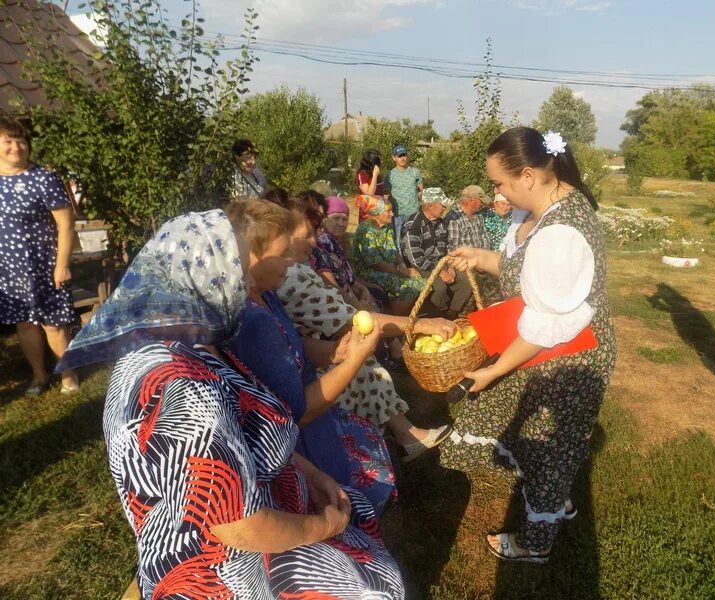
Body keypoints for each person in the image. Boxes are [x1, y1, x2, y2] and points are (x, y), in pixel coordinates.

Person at [58, 204, 404, 599]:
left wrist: (309, 472)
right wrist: (323, 528)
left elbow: (240, 436)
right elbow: (241, 526)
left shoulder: (192, 343)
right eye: (236, 268)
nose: (245, 284)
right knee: (376, 587)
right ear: (205, 275)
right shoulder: (180, 384)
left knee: (355, 509)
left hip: (256, 520)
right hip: (226, 571)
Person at [438, 127, 616, 563]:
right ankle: (558, 503)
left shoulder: (561, 233)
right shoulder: (553, 211)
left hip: (568, 356)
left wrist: (495, 371)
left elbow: (542, 326)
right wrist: (482, 258)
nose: (498, 192)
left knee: (546, 445)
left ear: (530, 176)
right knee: (551, 444)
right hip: (555, 347)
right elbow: (530, 273)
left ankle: (536, 544)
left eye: (500, 183)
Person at [226, 200, 396, 513]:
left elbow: (295, 345)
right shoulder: (253, 323)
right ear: (247, 255)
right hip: (299, 444)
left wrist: (335, 351)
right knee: (340, 502)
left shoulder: (265, 294)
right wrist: (354, 360)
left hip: (315, 428)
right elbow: (299, 411)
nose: (291, 263)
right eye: (282, 255)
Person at [278, 194, 455, 460]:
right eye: (308, 233)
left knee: (360, 355)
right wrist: (422, 324)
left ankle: (397, 434)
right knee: (361, 361)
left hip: (311, 348)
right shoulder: (292, 276)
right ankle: (382, 442)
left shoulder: (297, 266)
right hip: (303, 372)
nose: (314, 240)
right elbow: (351, 319)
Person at [0, 116, 79, 395]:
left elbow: (66, 224)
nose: (16, 146)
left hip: (45, 264)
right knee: (25, 325)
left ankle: (67, 373)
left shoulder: (44, 179)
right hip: (9, 268)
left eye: (21, 140)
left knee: (54, 324)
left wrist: (62, 265)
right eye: (8, 140)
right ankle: (38, 375)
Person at [402, 187, 473, 318]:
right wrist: (440, 271)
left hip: (440, 262)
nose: (444, 207)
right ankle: (430, 317)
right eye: (442, 204)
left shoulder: (440, 222)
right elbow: (415, 257)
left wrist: (450, 265)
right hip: (422, 265)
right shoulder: (413, 223)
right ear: (430, 205)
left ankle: (452, 314)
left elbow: (445, 246)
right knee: (439, 288)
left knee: (465, 282)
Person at [352, 195, 425, 313]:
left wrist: (402, 264)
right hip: (370, 272)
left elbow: (394, 249)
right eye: (388, 211)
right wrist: (402, 271)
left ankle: (402, 314)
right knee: (409, 288)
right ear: (377, 213)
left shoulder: (387, 226)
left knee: (420, 282)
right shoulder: (365, 230)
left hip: (389, 269)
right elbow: (376, 263)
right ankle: (395, 317)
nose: (392, 214)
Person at [309, 195, 383, 311]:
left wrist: (364, 290)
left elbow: (349, 278)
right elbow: (334, 287)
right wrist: (360, 307)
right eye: (336, 218)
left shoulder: (334, 242)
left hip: (352, 294)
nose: (341, 223)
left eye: (344, 219)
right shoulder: (319, 245)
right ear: (324, 218)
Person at [386, 144, 423, 249]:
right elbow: (386, 194)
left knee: (414, 241)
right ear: (394, 157)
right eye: (399, 156)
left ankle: (411, 262)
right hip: (397, 215)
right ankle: (400, 263)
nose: (402, 158)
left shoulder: (415, 172)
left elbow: (421, 191)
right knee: (397, 241)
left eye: (404, 155)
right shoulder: (389, 175)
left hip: (413, 214)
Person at [354, 149, 385, 221]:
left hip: (380, 215)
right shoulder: (362, 174)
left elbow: (380, 190)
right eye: (380, 160)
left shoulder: (377, 174)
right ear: (373, 162)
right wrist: (374, 176)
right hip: (367, 217)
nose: (382, 162)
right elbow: (370, 193)